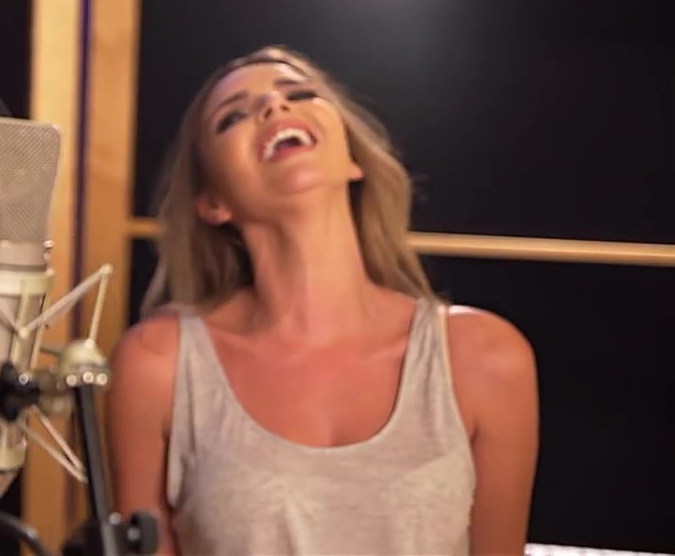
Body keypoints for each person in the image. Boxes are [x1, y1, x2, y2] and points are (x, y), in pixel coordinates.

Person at [105, 46, 540, 555]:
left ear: (353, 160)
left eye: (300, 94)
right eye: (233, 117)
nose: (274, 106)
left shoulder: (484, 358)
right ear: (213, 202)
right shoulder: (158, 364)